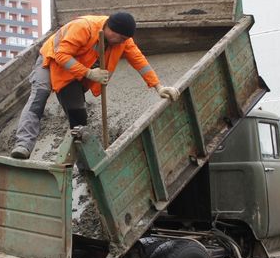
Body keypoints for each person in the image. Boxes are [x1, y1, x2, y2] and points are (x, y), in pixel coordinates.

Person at [10, 11, 179, 159]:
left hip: (76, 70)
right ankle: (23, 145)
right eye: (119, 37)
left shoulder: (122, 40)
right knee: (39, 96)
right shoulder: (84, 27)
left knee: (79, 114)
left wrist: (158, 86)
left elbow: (140, 62)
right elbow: (61, 55)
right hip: (50, 60)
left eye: (124, 39)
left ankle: (82, 163)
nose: (120, 42)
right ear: (108, 27)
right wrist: (89, 73)